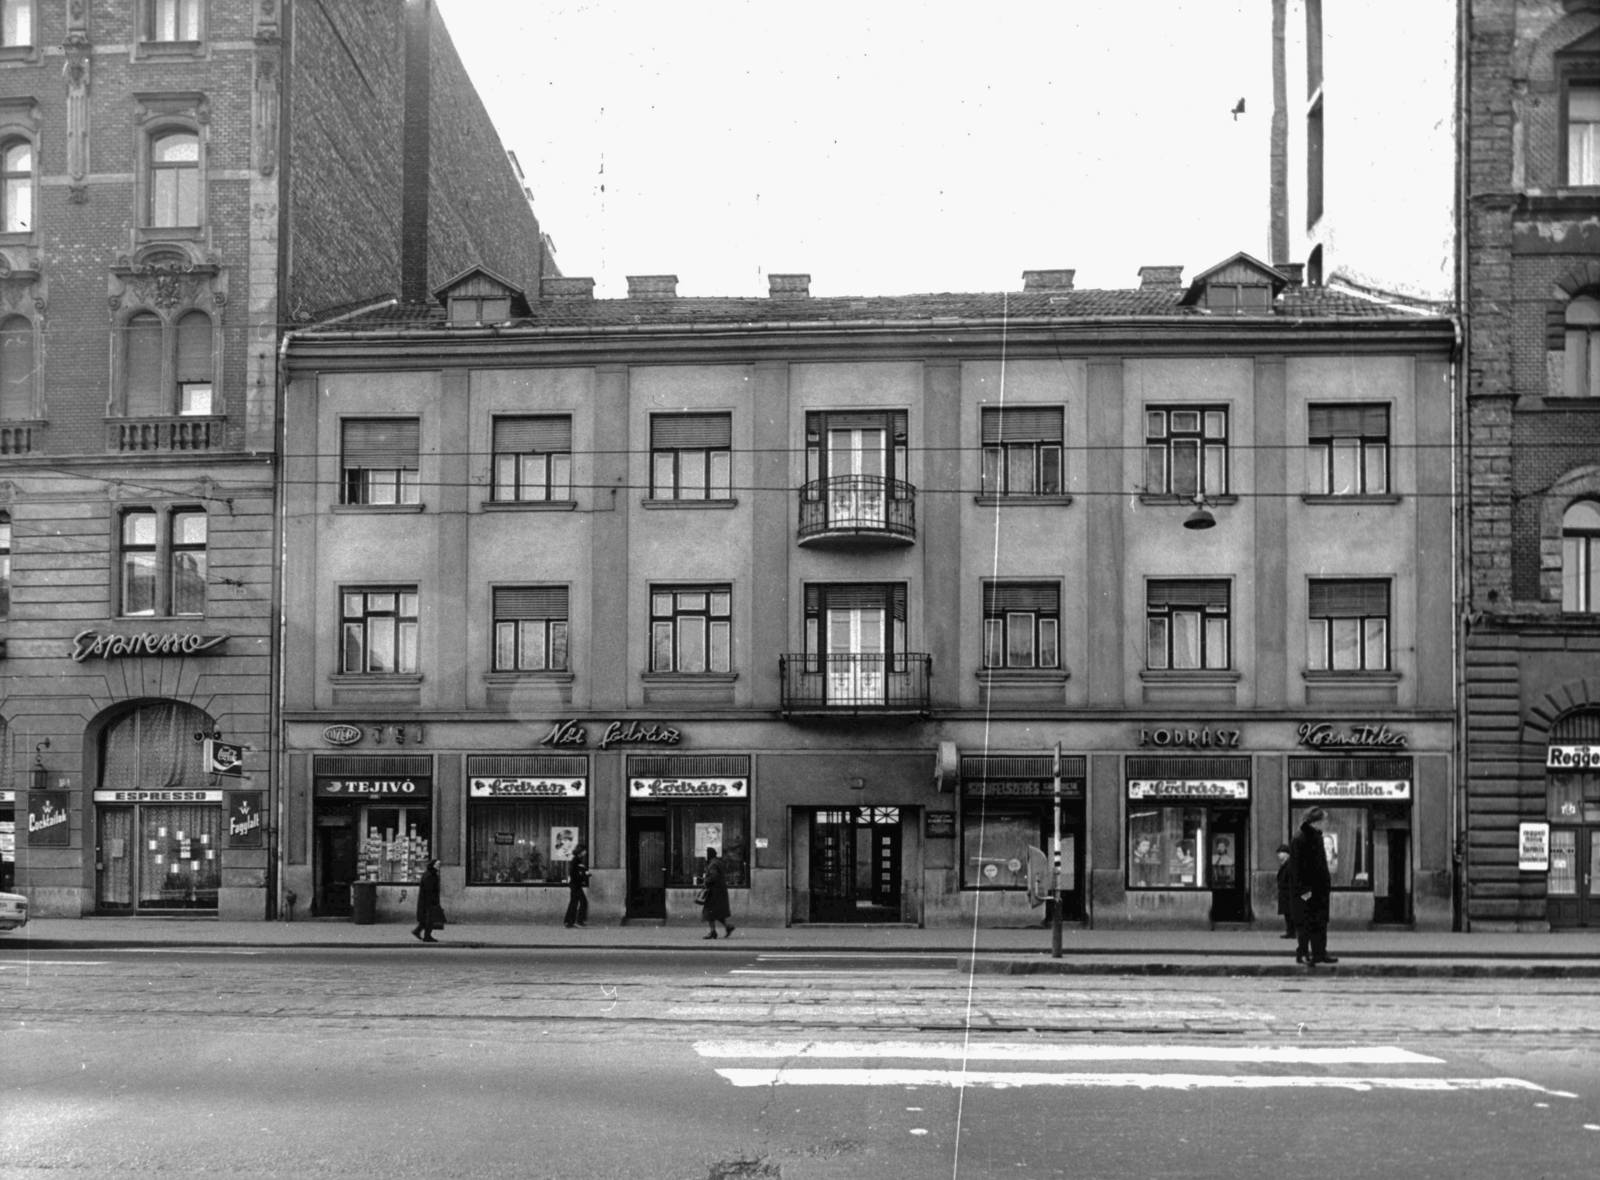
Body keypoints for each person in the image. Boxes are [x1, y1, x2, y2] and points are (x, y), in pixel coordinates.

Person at [1289, 808, 1337, 966]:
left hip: (1318, 890)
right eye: (1324, 820)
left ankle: (1319, 953)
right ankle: (1302, 954)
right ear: (1315, 821)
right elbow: (1297, 868)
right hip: (1308, 891)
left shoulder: (1315, 837)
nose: (1326, 823)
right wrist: (1304, 891)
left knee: (1319, 922)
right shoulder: (1301, 838)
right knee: (1306, 923)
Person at [700, 846, 734, 940]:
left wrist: (705, 880)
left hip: (714, 893)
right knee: (717, 913)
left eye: (706, 854)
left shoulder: (713, 864)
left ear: (709, 855)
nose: (705, 856)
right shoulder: (717, 862)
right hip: (719, 892)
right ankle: (727, 927)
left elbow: (713, 876)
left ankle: (713, 932)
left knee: (709, 912)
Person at [412, 858, 443, 943]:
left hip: (426, 901)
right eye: (438, 865)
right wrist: (434, 901)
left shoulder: (429, 874)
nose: (439, 867)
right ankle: (426, 936)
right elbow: (430, 890)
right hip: (428, 902)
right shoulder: (431, 875)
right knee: (429, 920)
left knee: (426, 920)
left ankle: (419, 932)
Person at [564, 841, 589, 928]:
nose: (585, 852)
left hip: (575, 884)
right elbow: (575, 873)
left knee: (574, 902)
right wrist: (585, 875)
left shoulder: (577, 860)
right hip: (576, 884)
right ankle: (578, 920)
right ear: (580, 851)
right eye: (584, 851)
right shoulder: (576, 860)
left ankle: (569, 921)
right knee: (582, 902)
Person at [1275, 842, 1295, 939]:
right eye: (1278, 853)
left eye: (1280, 852)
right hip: (1286, 894)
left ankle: (1292, 932)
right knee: (1288, 913)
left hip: (1289, 894)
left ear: (1287, 854)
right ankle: (1290, 931)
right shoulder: (1285, 864)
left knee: (1290, 913)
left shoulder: (1290, 864)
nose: (1278, 855)